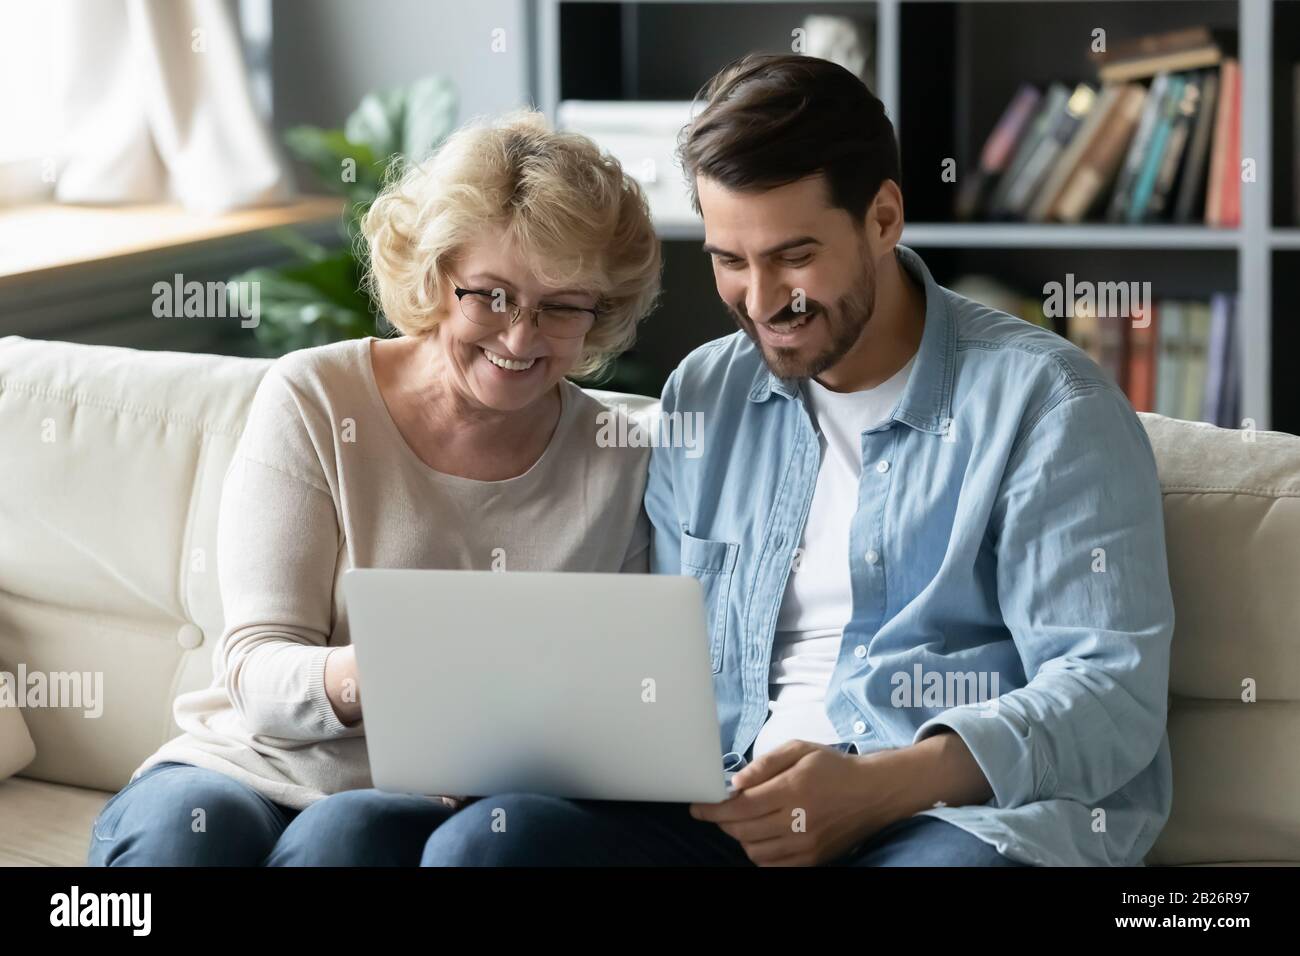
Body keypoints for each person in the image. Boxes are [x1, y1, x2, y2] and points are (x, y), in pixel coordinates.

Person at [422, 54, 1174, 867]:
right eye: (729, 260)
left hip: (943, 820)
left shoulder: (1046, 406)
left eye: (793, 255)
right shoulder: (705, 396)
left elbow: (1109, 693)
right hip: (722, 806)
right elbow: (660, 666)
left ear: (883, 218)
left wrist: (877, 787)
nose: (762, 298)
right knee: (485, 847)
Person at [88, 109, 662, 866]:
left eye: (560, 307)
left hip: (438, 800)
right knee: (184, 840)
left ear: (601, 311)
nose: (520, 337)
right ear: (434, 275)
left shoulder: (618, 455)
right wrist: (398, 667)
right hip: (251, 764)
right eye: (489, 294)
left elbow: (615, 700)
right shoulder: (316, 399)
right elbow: (257, 666)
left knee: (346, 839)